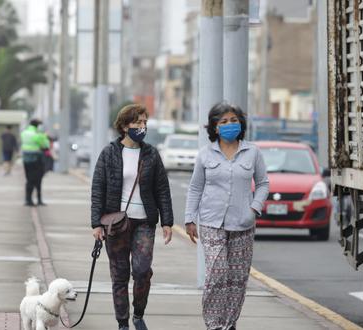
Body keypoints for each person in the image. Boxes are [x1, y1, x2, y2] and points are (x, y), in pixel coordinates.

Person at [184, 102, 269, 330]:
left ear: (240, 124)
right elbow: (195, 188)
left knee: (238, 278)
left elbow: (262, 183)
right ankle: (214, 324)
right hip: (212, 222)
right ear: (215, 127)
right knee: (217, 272)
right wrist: (189, 218)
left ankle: (229, 323)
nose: (229, 124)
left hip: (243, 223)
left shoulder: (252, 152)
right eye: (223, 121)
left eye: (233, 120)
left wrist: (254, 208)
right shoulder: (205, 154)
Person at [91, 104, 174, 330]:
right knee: (119, 275)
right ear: (125, 125)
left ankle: (138, 314)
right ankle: (122, 323)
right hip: (116, 224)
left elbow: (162, 189)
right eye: (138, 122)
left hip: (144, 222)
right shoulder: (109, 153)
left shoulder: (151, 154)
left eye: (145, 122)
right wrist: (96, 223)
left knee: (142, 270)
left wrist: (167, 222)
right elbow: (98, 188)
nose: (142, 126)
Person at [21, 119, 50, 206]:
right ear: (38, 126)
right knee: (37, 180)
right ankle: (38, 199)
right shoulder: (37, 135)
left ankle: (28, 199)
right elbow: (45, 145)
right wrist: (44, 136)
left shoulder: (24, 133)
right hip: (36, 159)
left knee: (29, 179)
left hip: (26, 159)